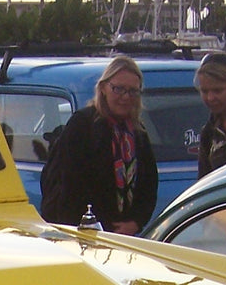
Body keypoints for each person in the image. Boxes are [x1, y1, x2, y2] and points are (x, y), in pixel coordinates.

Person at [39, 56, 158, 233]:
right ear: (103, 88)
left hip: (124, 236)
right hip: (85, 232)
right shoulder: (83, 125)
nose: (125, 97)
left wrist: (136, 222)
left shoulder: (137, 133)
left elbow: (149, 184)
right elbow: (66, 185)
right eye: (118, 89)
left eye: (133, 91)